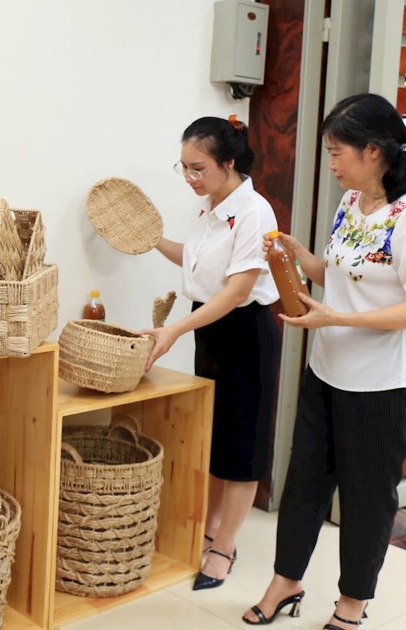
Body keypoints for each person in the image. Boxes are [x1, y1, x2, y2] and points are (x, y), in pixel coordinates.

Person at [242, 93, 406, 629]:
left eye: (338, 153)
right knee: (304, 484)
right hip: (327, 371)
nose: (331, 164)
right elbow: (338, 277)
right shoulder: (351, 203)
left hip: (382, 385)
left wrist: (336, 320)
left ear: (375, 151)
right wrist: (296, 256)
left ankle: (352, 604)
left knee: (365, 498)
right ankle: (286, 580)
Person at [139, 115, 281, 591]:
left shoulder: (255, 212)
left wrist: (176, 328)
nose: (189, 179)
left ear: (229, 162)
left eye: (198, 168)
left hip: (245, 333)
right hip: (211, 330)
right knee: (216, 433)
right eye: (183, 168)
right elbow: (197, 260)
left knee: (242, 444)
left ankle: (225, 545)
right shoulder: (210, 208)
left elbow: (238, 290)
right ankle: (213, 525)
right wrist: (152, 239)